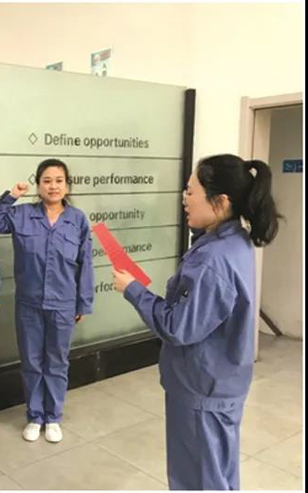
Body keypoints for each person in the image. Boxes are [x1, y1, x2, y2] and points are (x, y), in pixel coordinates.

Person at [112, 154, 281, 490]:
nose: (184, 199)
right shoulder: (234, 242)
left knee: (198, 480)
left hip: (201, 390)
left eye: (191, 192)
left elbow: (177, 327)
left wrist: (132, 290)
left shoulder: (211, 261)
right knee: (218, 475)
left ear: (221, 202)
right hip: (220, 384)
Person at [0, 159, 94, 443]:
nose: (53, 186)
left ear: (67, 185)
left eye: (59, 180)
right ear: (38, 184)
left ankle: (53, 417)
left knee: (57, 362)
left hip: (63, 303)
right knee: (32, 361)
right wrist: (11, 196)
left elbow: (85, 263)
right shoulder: (22, 214)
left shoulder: (77, 220)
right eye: (47, 181)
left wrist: (83, 302)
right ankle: (35, 416)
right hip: (29, 303)